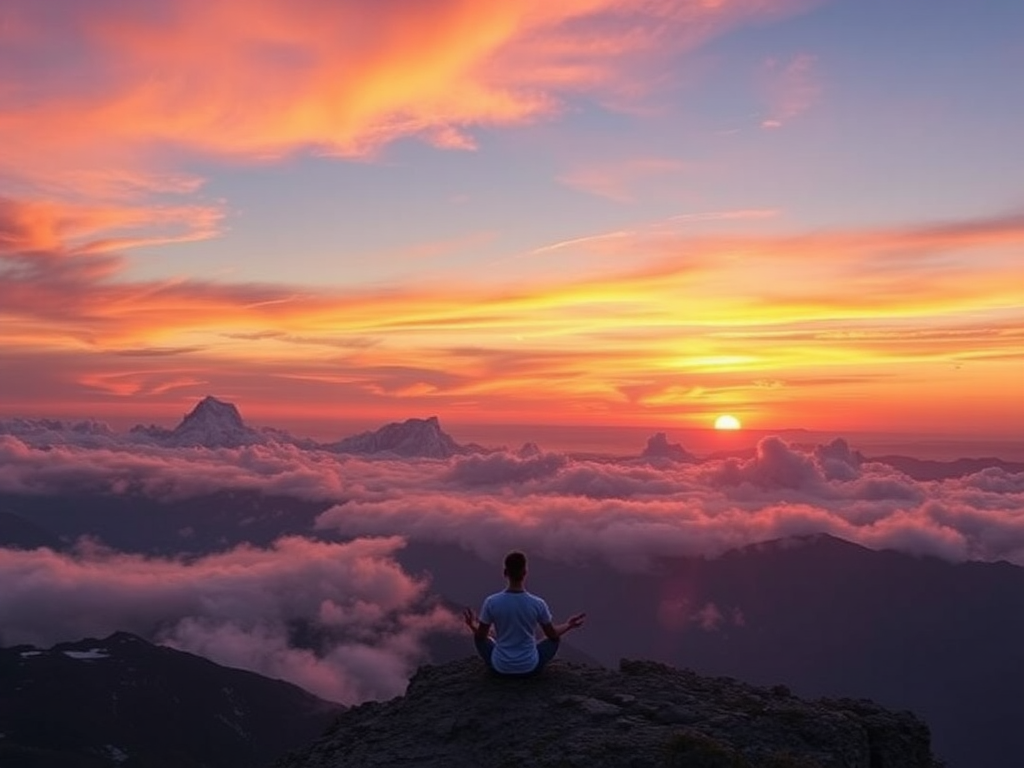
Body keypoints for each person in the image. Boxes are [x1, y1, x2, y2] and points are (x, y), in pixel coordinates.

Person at [463, 550, 586, 676]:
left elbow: (481, 636)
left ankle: (501, 664)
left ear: (505, 573)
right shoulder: (538, 603)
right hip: (530, 666)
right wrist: (569, 625)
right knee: (554, 640)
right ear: (525, 573)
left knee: (479, 639)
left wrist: (472, 625)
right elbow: (552, 635)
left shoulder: (491, 602)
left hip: (500, 667)